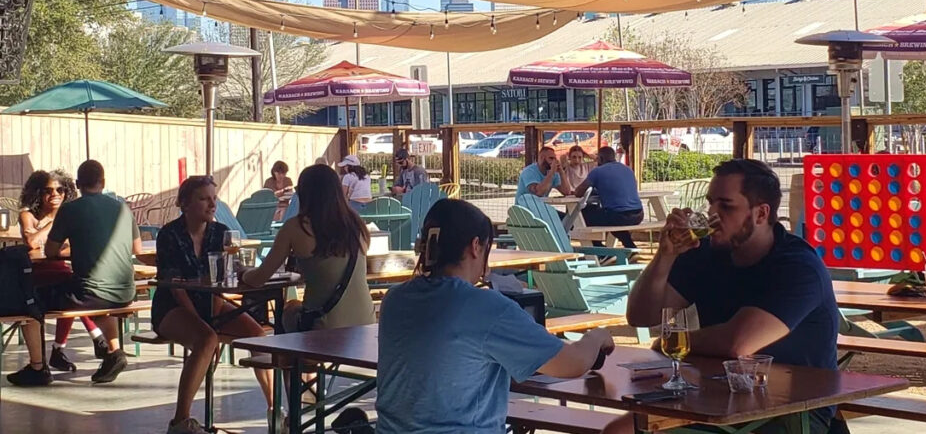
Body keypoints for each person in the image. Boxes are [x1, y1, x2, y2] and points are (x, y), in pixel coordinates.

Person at [619, 159, 839, 434]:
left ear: (761, 214)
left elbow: (738, 344)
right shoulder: (706, 253)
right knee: (623, 429)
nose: (712, 214)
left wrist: (672, 341)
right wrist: (665, 257)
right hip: (717, 397)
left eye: (726, 205)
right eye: (710, 203)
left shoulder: (797, 267)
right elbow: (641, 316)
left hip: (791, 412)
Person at [375, 199, 615, 433]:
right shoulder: (485, 307)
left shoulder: (395, 299)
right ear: (476, 246)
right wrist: (596, 337)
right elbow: (571, 363)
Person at [153, 176, 274, 434]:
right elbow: (175, 286)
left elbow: (224, 278)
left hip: (211, 302)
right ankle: (180, 422)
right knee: (207, 339)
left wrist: (213, 314)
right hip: (172, 307)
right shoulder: (169, 234)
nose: (212, 204)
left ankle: (275, 412)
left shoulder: (220, 233)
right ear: (185, 203)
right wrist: (202, 320)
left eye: (214, 198)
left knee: (258, 335)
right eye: (204, 198)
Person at [7, 161, 142, 387]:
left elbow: (50, 251)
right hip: (126, 291)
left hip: (91, 292)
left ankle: (38, 368)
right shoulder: (123, 208)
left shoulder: (71, 210)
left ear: (77, 185)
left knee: (27, 301)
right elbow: (136, 249)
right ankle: (114, 352)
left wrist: (76, 246)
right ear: (104, 182)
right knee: (93, 297)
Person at [243, 163, 375, 331]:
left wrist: (243, 273)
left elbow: (259, 278)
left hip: (325, 326)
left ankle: (294, 358)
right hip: (366, 323)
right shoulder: (356, 224)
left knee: (290, 310)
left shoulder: (296, 227)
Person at [574, 146, 644, 248]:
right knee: (613, 218)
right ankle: (630, 246)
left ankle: (598, 249)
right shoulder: (628, 169)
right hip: (638, 215)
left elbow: (579, 192)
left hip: (618, 216)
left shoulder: (597, 171)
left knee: (583, 214)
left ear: (601, 159)